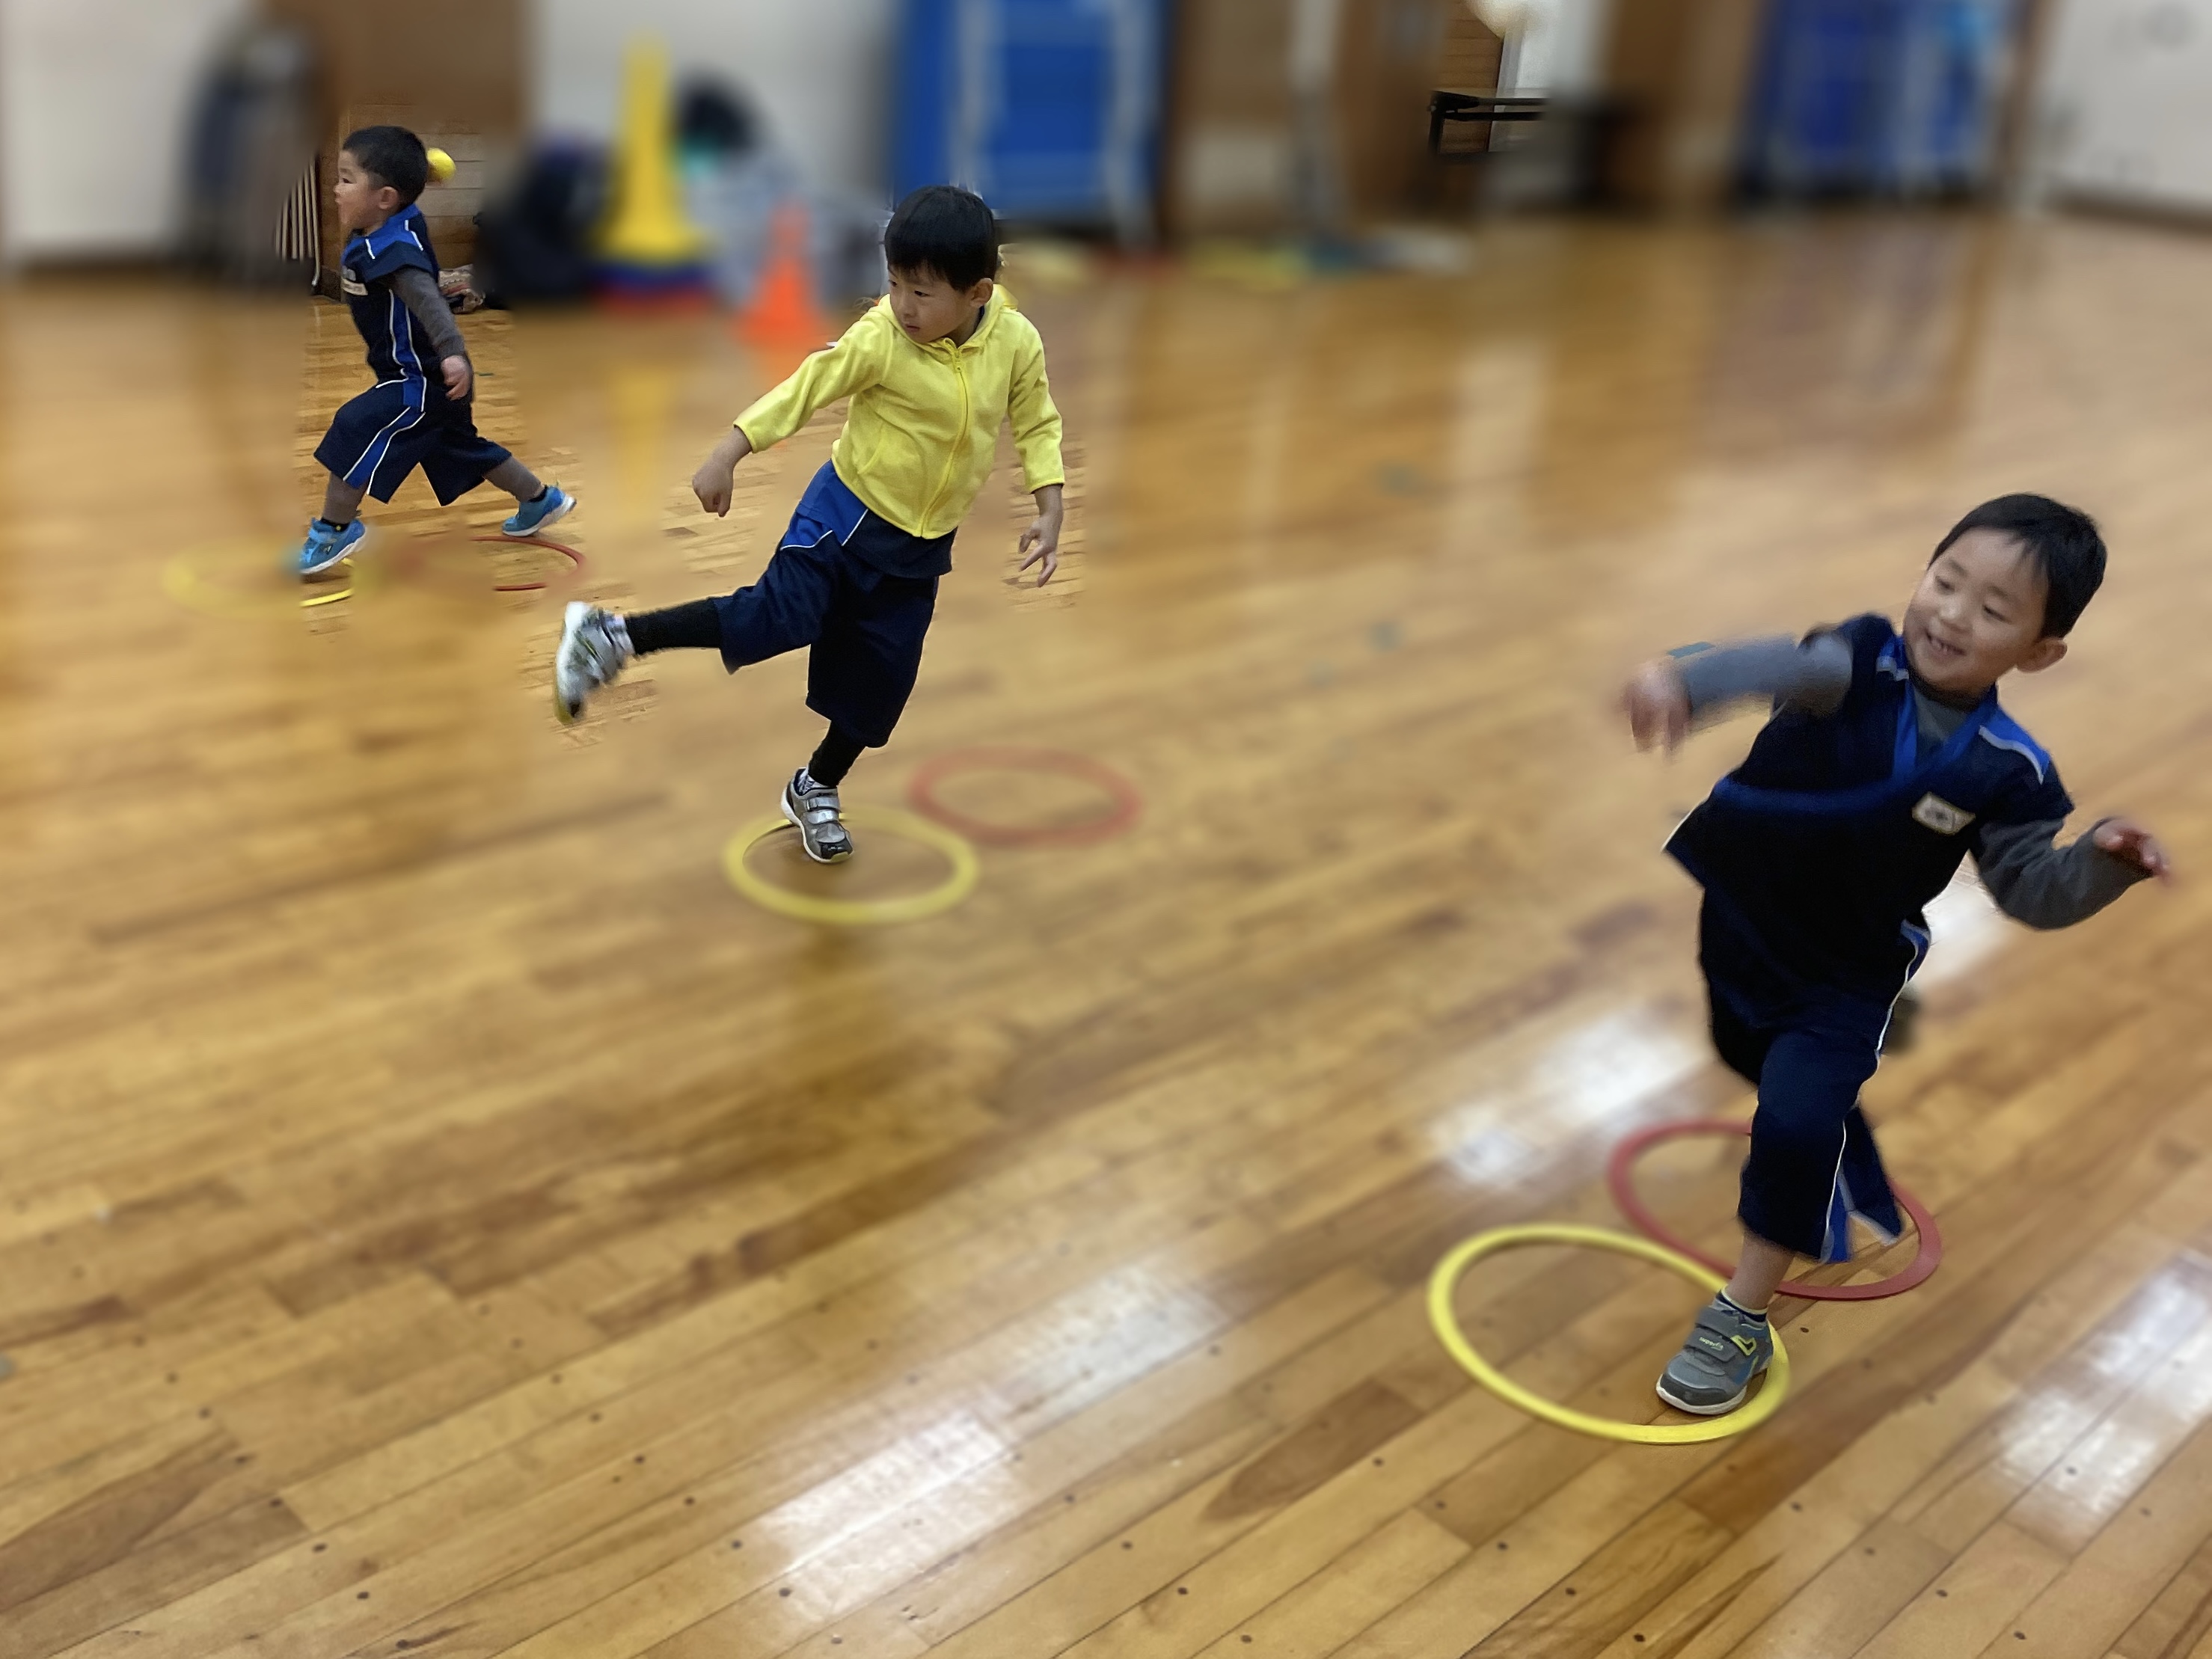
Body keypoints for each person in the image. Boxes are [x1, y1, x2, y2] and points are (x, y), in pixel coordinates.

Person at [1621, 494, 2169, 1416]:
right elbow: (1767, 664)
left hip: (1844, 975)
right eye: (1944, 581)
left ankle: (1740, 1314)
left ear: (2039, 652)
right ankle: (1802, 1138)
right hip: (1743, 927)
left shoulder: (2006, 770)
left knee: (1796, 1121)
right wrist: (1679, 680)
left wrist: (2102, 862)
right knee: (1747, 1056)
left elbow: (2030, 889)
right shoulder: (1849, 663)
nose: (1951, 614)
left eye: (1992, 609)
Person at [550, 184, 1064, 862]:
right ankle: (611, 636)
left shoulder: (1015, 342)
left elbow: (1036, 419)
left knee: (880, 688)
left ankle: (814, 786)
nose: (902, 305)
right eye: (894, 284)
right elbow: (807, 387)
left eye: (920, 292)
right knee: (774, 618)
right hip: (844, 518)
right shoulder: (881, 336)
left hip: (920, 549)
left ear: (978, 294)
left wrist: (1050, 501)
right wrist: (730, 450)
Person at [298, 125, 574, 577]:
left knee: (356, 425)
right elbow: (402, 192)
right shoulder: (394, 219)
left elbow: (429, 303)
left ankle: (334, 530)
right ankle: (540, 500)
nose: (335, 189)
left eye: (347, 179)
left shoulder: (394, 252)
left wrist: (452, 352)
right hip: (429, 377)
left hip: (421, 378)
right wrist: (421, 169)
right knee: (461, 446)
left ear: (385, 197)